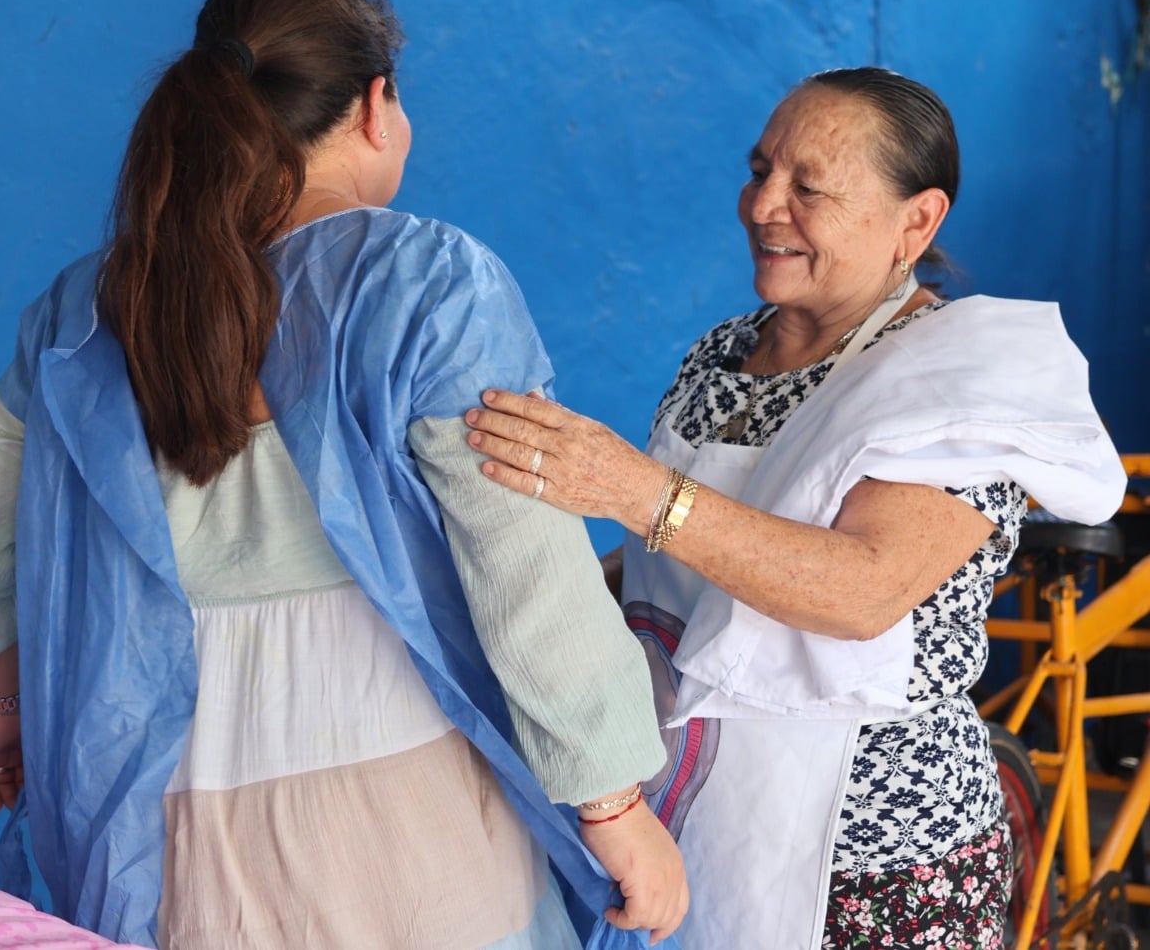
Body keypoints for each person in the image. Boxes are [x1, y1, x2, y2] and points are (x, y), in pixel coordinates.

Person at [0, 0, 687, 950]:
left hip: (179, 836)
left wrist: (5, 705)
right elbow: (522, 560)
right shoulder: (427, 283)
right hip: (412, 813)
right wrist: (612, 806)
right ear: (375, 106)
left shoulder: (90, 307)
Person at [463, 67, 1126, 950]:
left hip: (874, 867)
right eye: (760, 168)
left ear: (916, 222)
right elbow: (678, 563)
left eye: (808, 187)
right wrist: (539, 600)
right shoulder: (723, 352)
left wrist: (629, 486)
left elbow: (863, 590)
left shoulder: (956, 377)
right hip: (697, 814)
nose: (762, 204)